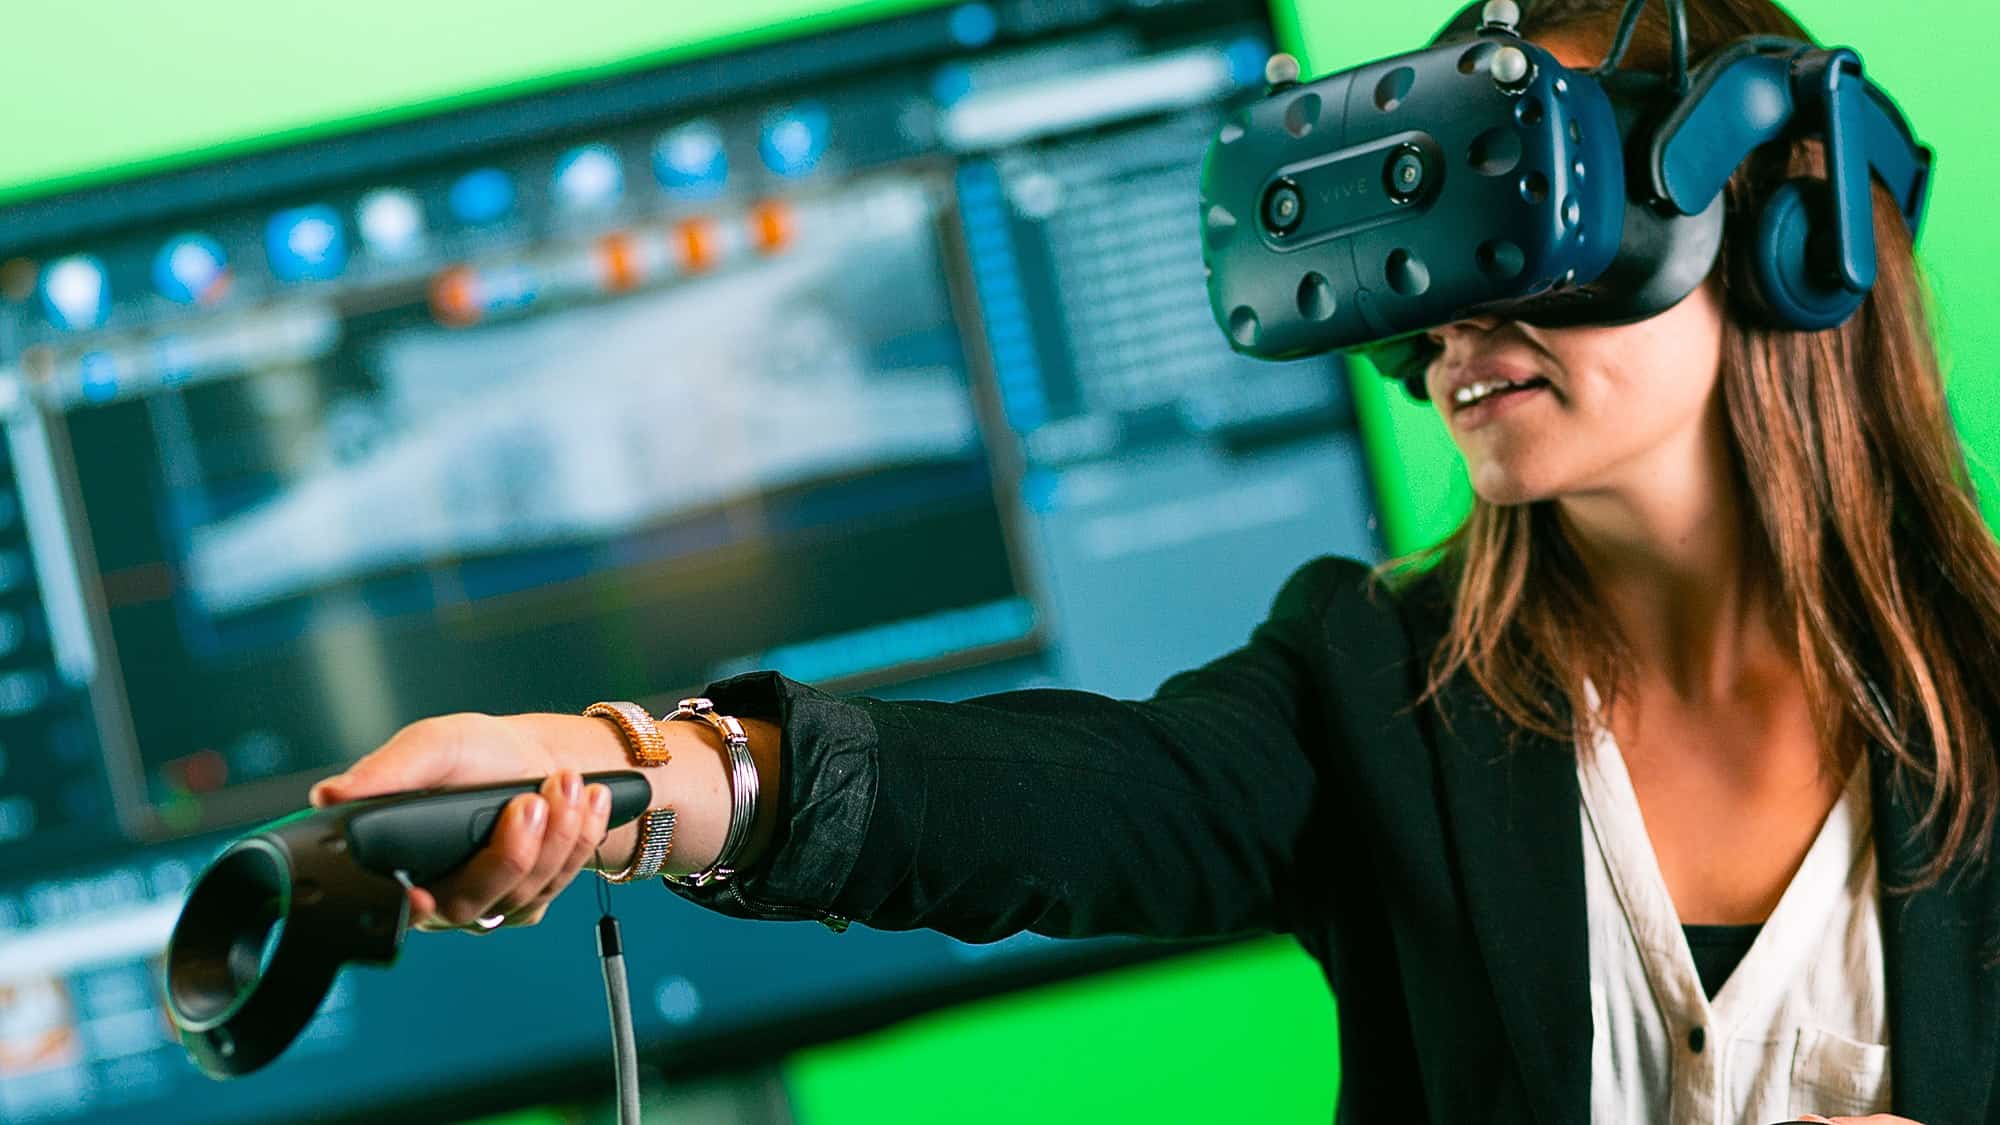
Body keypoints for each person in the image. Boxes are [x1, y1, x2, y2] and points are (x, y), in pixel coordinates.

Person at [305, 0, 2000, 1120]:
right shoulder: (1383, 688)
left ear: (1796, 232)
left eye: (1527, 226)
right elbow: (1066, 796)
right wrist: (627, 773)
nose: (1453, 316)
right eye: (1418, 253)